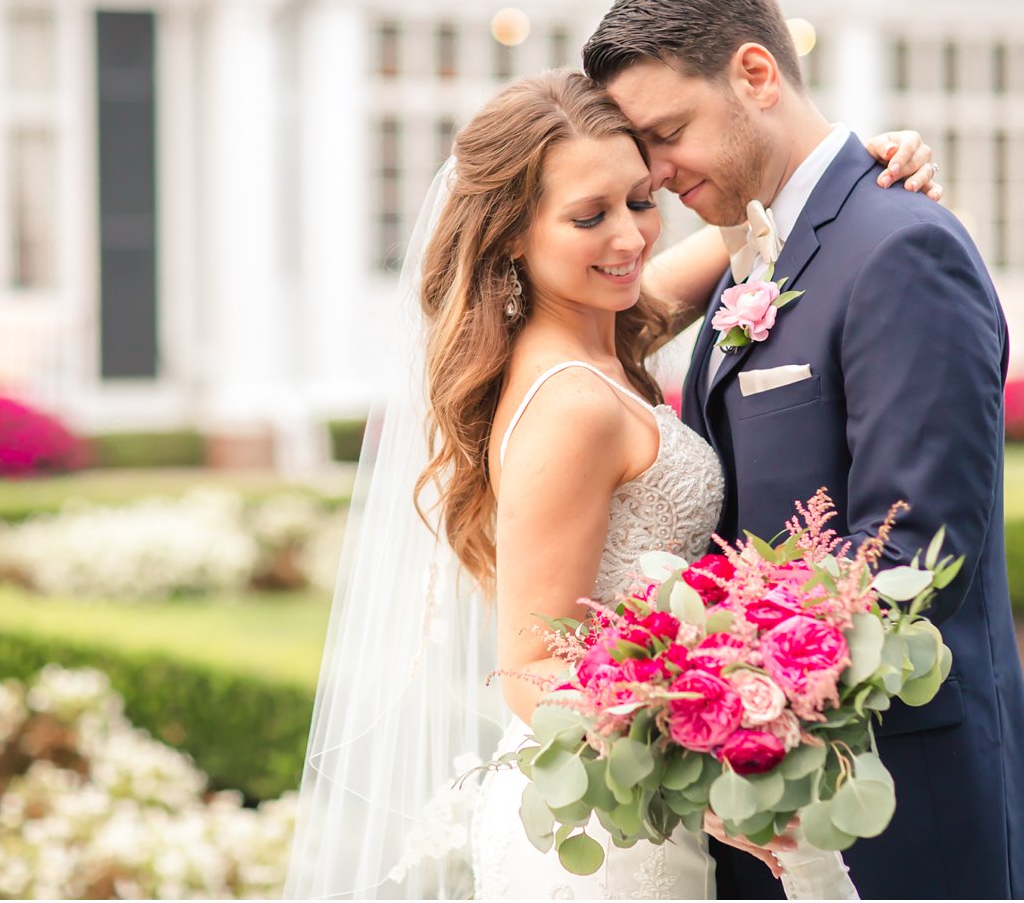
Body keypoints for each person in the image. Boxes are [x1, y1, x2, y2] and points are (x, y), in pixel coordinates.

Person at [284, 61, 941, 898]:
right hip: (605, 834)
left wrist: (861, 165)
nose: (630, 238)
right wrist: (708, 758)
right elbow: (528, 668)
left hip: (630, 810)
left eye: (639, 201)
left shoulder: (604, 332)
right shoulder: (574, 405)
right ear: (514, 235)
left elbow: (750, 234)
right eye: (589, 216)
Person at [582, 0, 1024, 900]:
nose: (658, 174)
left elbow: (917, 565)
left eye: (668, 132)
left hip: (898, 820)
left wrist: (724, 711)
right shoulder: (757, 247)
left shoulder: (902, 249)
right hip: (770, 817)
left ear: (755, 73)